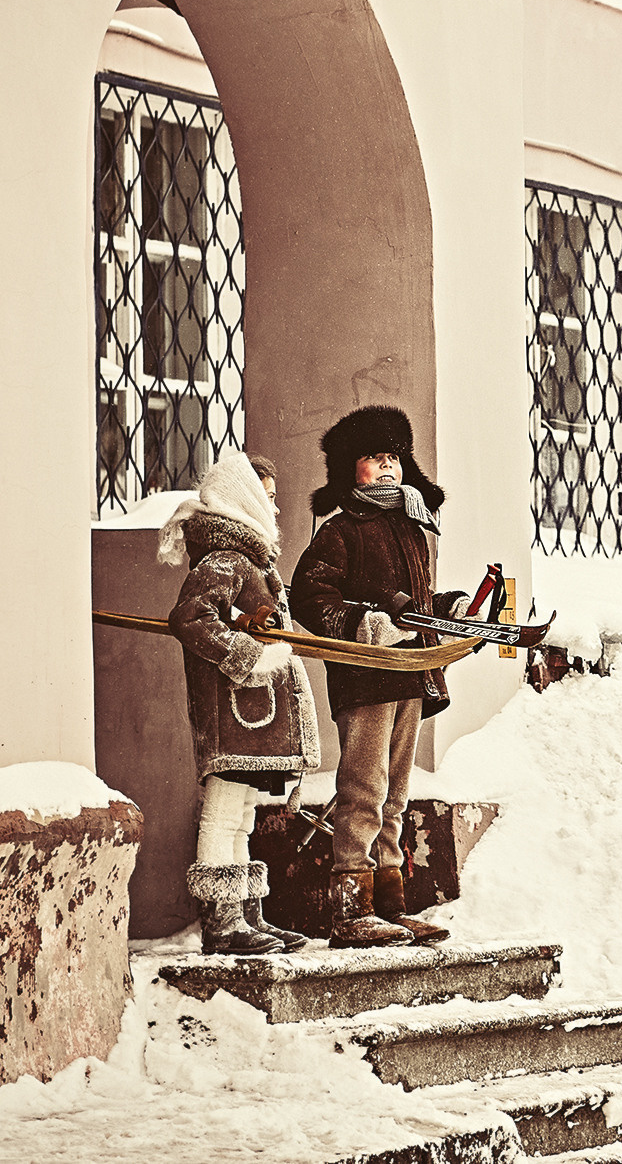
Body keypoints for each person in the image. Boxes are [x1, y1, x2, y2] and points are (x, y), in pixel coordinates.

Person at [292, 405, 467, 947]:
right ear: (351, 468)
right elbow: (309, 598)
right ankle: (351, 905)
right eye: (373, 458)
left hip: (410, 674)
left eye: (393, 457)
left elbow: (413, 605)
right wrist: (365, 623)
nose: (387, 468)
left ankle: (390, 904)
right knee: (363, 789)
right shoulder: (340, 531)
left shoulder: (413, 529)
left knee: (396, 792)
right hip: (366, 678)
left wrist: (447, 606)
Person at [162, 452, 321, 956]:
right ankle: (223, 923)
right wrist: (250, 657)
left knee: (244, 813)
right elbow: (190, 619)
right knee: (224, 810)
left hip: (252, 718)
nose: (273, 510)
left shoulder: (251, 561)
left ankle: (248, 914)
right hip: (231, 713)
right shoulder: (225, 560)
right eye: (266, 498)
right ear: (242, 498)